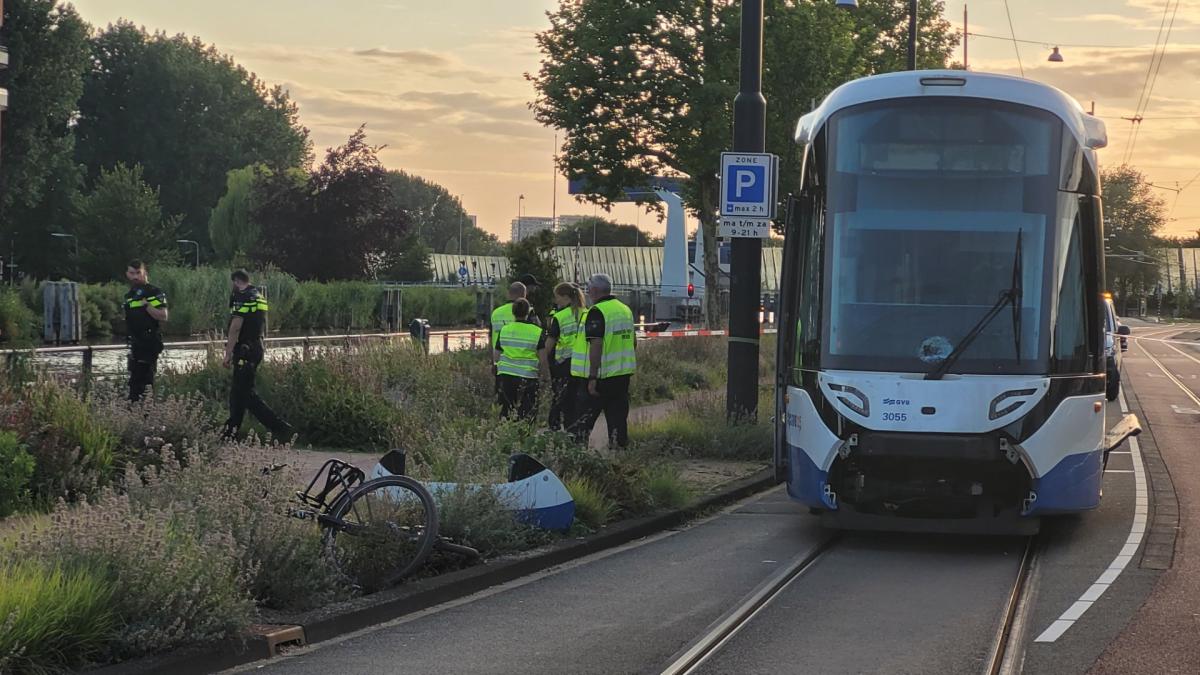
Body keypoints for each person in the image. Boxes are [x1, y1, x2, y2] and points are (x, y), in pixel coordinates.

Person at [222, 269, 293, 441]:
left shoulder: (243, 296)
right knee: (237, 393)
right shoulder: (259, 296)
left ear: (236, 281)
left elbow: (236, 327)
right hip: (257, 347)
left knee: (246, 394)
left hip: (245, 349)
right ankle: (230, 433)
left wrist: (227, 353)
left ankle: (282, 429)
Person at [568, 273, 637, 449]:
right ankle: (620, 459)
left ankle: (576, 459)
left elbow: (596, 344)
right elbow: (633, 342)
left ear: (595, 290)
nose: (588, 292)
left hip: (599, 379)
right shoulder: (625, 310)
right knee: (618, 423)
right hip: (621, 376)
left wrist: (592, 377)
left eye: (589, 288)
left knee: (581, 424)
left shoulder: (597, 312)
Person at [494, 298, 546, 422]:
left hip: (506, 376)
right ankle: (524, 436)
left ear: (513, 312)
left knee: (506, 410)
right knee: (527, 412)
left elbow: (496, 355)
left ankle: (506, 435)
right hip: (528, 376)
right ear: (528, 313)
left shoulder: (504, 330)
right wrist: (545, 376)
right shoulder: (537, 332)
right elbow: (543, 359)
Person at [124, 259, 169, 402]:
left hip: (149, 342)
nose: (136, 276)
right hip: (135, 344)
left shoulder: (153, 292)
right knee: (134, 384)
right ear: (127, 275)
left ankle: (147, 415)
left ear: (145, 273)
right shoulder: (129, 295)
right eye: (132, 273)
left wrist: (147, 305)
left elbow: (163, 315)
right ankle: (134, 415)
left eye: (138, 273)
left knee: (146, 383)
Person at [545, 282, 586, 431]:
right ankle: (574, 431)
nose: (556, 301)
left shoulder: (560, 316)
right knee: (578, 401)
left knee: (560, 399)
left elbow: (550, 343)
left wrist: (542, 362)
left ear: (566, 297)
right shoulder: (587, 313)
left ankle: (554, 430)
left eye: (558, 297)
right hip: (583, 364)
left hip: (563, 364)